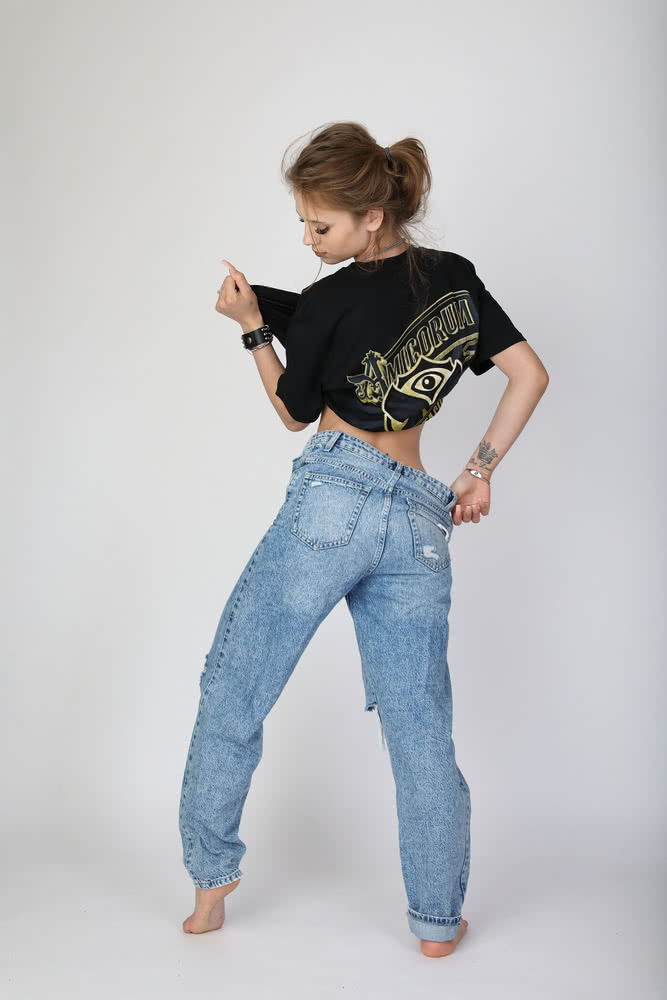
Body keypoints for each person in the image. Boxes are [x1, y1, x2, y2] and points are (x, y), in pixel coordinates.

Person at [178, 121, 549, 958]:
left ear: (371, 216)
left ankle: (209, 887)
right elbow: (529, 374)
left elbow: (294, 411)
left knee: (235, 687)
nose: (308, 240)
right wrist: (478, 470)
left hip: (333, 497)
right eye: (303, 225)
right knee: (420, 730)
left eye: (320, 225)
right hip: (420, 514)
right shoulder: (452, 277)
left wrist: (251, 328)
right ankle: (436, 924)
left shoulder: (327, 302)